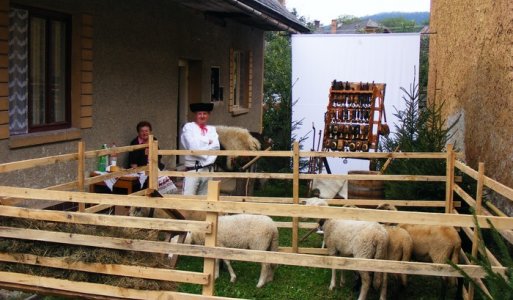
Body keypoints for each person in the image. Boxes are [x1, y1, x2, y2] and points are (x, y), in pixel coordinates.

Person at [180, 102, 220, 195]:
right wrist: (207, 141)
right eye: (200, 113)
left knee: (205, 200)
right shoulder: (189, 127)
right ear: (196, 115)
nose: (202, 116)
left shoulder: (212, 129)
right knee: (188, 199)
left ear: (208, 115)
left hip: (208, 170)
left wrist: (200, 143)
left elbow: (216, 148)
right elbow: (193, 147)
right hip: (193, 169)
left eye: (205, 113)